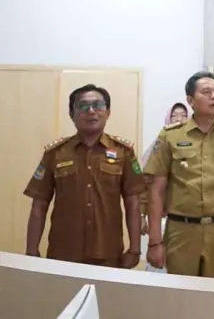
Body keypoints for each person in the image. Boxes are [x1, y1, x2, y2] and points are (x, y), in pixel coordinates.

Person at [144, 71, 214, 279]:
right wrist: (155, 241)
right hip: (181, 229)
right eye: (206, 92)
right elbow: (156, 191)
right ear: (190, 100)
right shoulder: (170, 136)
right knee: (181, 293)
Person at [23, 84, 145, 268]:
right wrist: (31, 250)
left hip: (108, 253)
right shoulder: (56, 153)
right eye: (83, 106)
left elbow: (133, 203)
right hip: (63, 253)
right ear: (72, 114)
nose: (91, 111)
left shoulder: (123, 152)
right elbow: (39, 204)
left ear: (108, 112)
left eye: (98, 105)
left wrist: (135, 249)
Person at [140, 102, 188, 233]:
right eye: (174, 115)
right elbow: (145, 185)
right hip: (162, 217)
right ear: (168, 119)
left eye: (184, 115)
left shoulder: (196, 146)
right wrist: (142, 215)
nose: (179, 119)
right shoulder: (159, 146)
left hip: (189, 218)